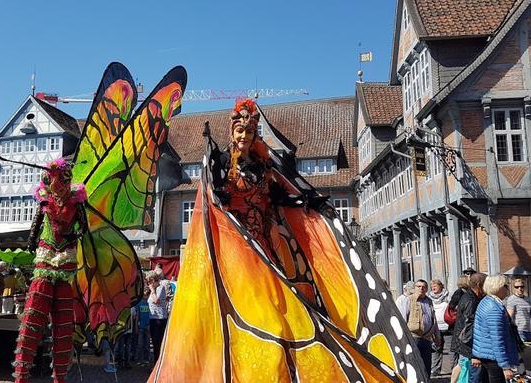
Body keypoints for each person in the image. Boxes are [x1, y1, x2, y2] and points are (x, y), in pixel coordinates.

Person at [149, 98, 426, 382]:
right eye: (240, 131)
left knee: (286, 319)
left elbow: (278, 199)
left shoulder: (262, 167)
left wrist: (307, 200)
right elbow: (212, 200)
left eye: (250, 131)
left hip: (266, 252)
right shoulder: (220, 164)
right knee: (259, 318)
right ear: (232, 132)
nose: (244, 137)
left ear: (256, 134)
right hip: (235, 254)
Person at [12, 158, 88, 383]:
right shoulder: (45, 197)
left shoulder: (76, 198)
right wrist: (32, 238)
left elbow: (83, 226)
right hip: (45, 257)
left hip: (65, 258)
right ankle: (21, 377)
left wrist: (73, 235)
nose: (58, 182)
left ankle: (59, 378)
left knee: (64, 323)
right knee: (33, 317)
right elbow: (37, 220)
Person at [472, 274, 520, 383]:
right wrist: (505, 367)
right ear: (497, 287)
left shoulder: (487, 301)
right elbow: (497, 339)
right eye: (505, 286)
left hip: (486, 354)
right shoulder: (493, 308)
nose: (508, 289)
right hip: (494, 359)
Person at [399, 279, 441, 379]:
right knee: (414, 365)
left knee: (427, 365)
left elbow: (433, 320)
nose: (421, 289)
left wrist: (437, 336)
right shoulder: (409, 300)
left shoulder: (429, 301)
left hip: (427, 338)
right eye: (418, 286)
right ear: (415, 288)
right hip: (413, 337)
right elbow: (403, 319)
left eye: (423, 287)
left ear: (426, 289)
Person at [450, 272, 487, 383]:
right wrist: (473, 354)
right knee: (470, 373)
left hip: (465, 343)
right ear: (480, 285)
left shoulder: (472, 297)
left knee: (462, 366)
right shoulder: (470, 300)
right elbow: (469, 326)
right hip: (467, 345)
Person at [428, 278, 450, 376]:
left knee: (449, 349)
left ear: (441, 286)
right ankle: (435, 370)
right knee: (436, 349)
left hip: (448, 326)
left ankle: (452, 369)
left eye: (435, 286)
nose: (433, 288)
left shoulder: (448, 296)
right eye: (432, 286)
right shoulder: (428, 298)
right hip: (435, 327)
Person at [147, 272, 168, 365]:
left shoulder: (160, 288)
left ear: (153, 280)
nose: (148, 284)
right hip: (153, 319)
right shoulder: (153, 289)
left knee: (158, 343)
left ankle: (158, 365)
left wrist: (152, 290)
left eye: (149, 281)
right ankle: (156, 364)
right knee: (155, 344)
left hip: (160, 319)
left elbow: (156, 300)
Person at [135, 288, 151, 365]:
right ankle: (139, 359)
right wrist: (136, 326)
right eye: (145, 294)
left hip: (148, 326)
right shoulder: (139, 303)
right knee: (140, 344)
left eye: (147, 294)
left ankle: (146, 359)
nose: (146, 296)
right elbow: (137, 315)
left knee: (147, 344)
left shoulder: (150, 303)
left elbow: (151, 315)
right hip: (141, 326)